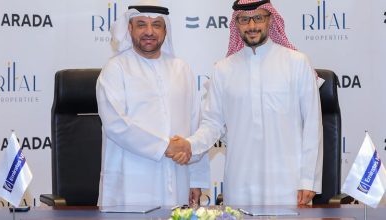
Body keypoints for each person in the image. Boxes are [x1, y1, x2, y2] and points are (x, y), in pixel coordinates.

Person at [170, 0, 323, 206]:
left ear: (270, 20)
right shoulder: (223, 70)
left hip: (288, 184)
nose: (252, 26)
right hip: (240, 183)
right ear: (236, 24)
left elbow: (312, 126)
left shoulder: (297, 63)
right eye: (244, 20)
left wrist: (308, 179)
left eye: (258, 18)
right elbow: (212, 125)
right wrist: (189, 145)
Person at [96, 0, 210, 207]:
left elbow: (195, 124)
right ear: (129, 28)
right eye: (141, 25)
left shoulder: (181, 69)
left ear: (165, 30)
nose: (149, 31)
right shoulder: (115, 69)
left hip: (178, 177)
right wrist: (166, 146)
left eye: (156, 25)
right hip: (131, 181)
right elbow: (116, 125)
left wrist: (196, 180)